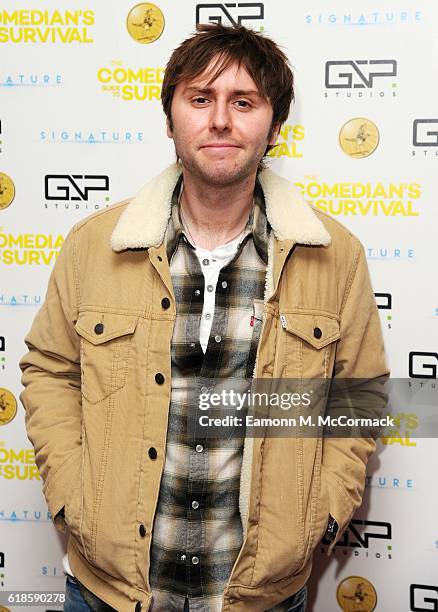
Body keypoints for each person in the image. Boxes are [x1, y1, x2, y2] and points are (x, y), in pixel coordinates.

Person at [19, 24, 389, 612]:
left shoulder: (334, 256)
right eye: (200, 99)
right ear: (170, 120)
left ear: (274, 125)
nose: (220, 121)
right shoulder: (95, 245)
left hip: (259, 594)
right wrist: (72, 499)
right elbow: (50, 370)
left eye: (243, 102)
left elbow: (360, 395)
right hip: (108, 590)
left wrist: (318, 516)